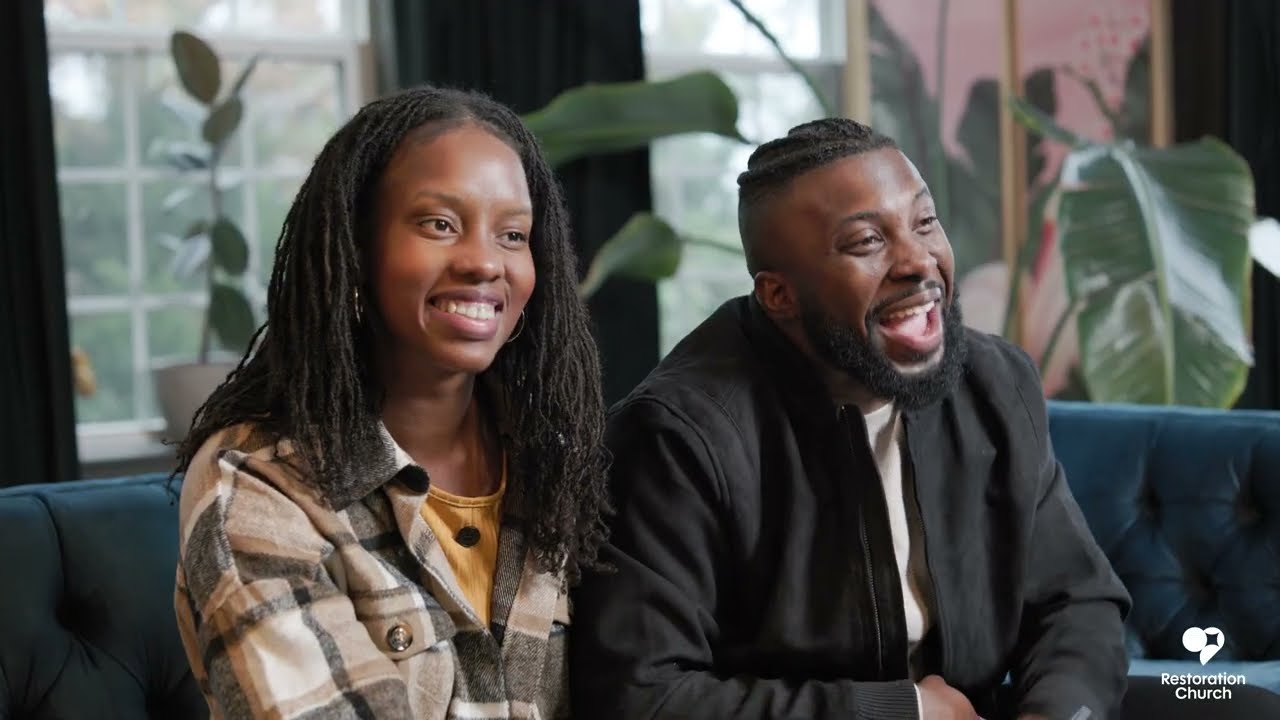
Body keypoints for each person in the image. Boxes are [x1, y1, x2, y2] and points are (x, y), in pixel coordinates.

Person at [569, 118, 1132, 720]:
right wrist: (903, 712)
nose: (919, 261)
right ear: (778, 295)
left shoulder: (993, 384)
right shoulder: (680, 437)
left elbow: (1077, 603)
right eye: (867, 242)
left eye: (925, 222)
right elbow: (641, 695)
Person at [173, 85, 610, 719]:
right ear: (356, 249)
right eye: (440, 224)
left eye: (513, 234)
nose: (486, 262)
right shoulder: (258, 484)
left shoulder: (553, 461)